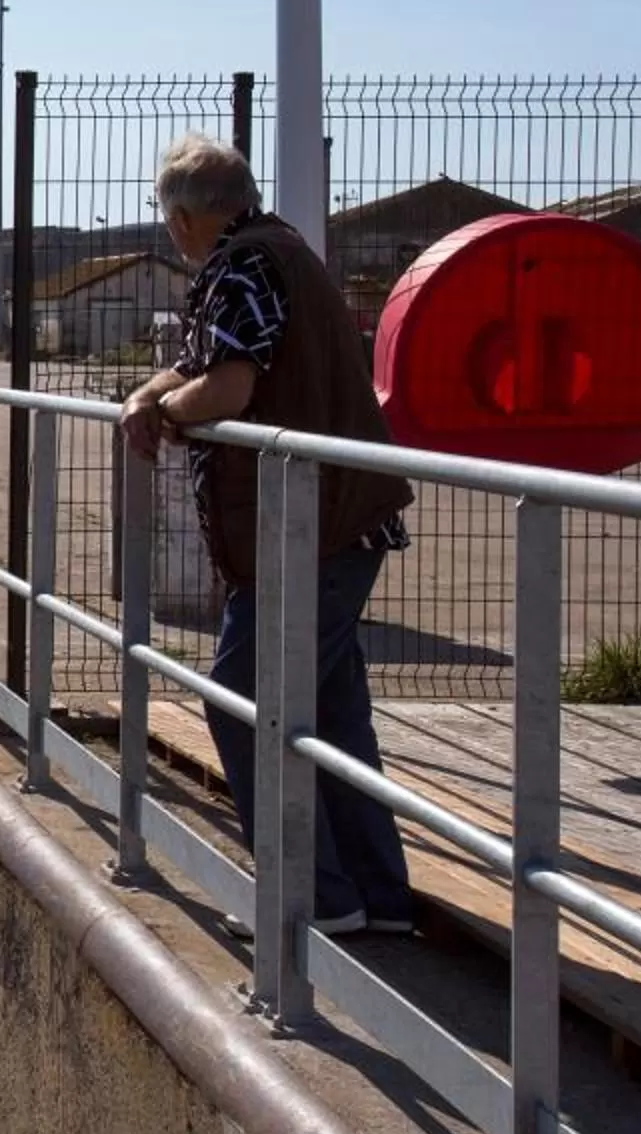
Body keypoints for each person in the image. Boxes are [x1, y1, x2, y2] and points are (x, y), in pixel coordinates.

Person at [119, 134, 419, 936]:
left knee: (241, 698)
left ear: (183, 218)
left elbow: (227, 384)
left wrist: (165, 417)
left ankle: (309, 898)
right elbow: (194, 364)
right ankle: (376, 898)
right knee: (331, 712)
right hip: (334, 523)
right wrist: (151, 394)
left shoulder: (244, 266)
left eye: (166, 218)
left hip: (306, 531)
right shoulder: (271, 251)